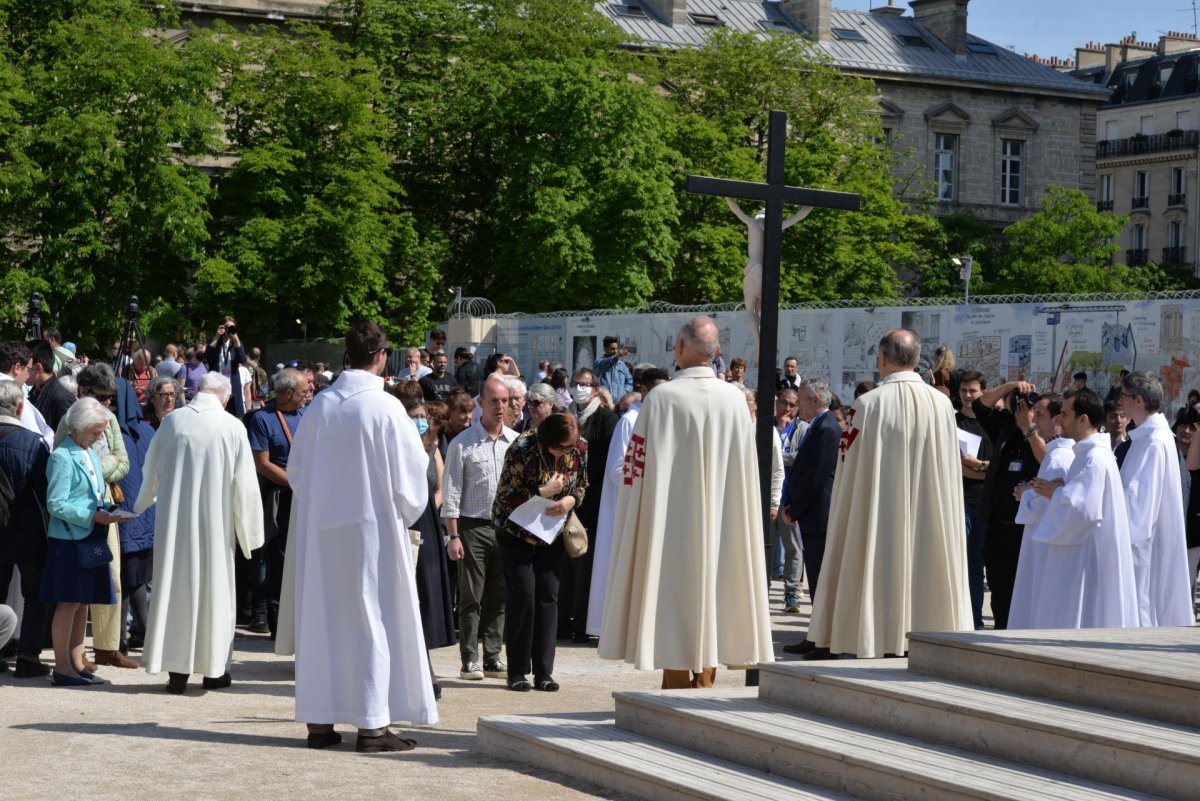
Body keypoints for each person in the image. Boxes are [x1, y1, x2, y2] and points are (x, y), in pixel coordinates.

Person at [278, 321, 436, 752]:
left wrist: (320, 508)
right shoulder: (385, 410)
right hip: (373, 531)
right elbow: (412, 482)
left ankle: (320, 721)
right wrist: (398, 515)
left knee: (323, 618)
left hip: (324, 533)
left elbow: (297, 473)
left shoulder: (320, 408)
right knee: (372, 618)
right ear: (382, 355)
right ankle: (372, 725)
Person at [599, 317, 772, 689]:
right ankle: (707, 675)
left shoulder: (660, 399)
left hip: (671, 524)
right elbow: (745, 468)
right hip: (724, 521)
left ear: (678, 349)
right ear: (717, 353)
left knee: (672, 595)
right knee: (717, 590)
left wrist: (634, 512)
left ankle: (676, 676)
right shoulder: (736, 402)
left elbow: (634, 468)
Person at [806, 328, 971, 659]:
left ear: (882, 358)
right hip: (929, 513)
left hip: (879, 514)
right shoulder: (941, 405)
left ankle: (875, 634)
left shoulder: (866, 406)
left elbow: (847, 467)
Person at [134, 373, 263, 693]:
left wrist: (141, 504)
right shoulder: (232, 427)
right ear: (224, 397)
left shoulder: (173, 423)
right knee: (214, 595)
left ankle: (177, 673)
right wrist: (251, 536)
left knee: (176, 592)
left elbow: (151, 471)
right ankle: (214, 671)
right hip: (214, 527)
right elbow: (245, 486)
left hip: (175, 527)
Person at [1016, 389, 1138, 629]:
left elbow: (1083, 510)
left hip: (1089, 555)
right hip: (1086, 550)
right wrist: (1060, 490)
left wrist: (1055, 492)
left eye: (1064, 414)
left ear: (1083, 419)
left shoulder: (1094, 459)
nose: (1059, 419)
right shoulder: (1088, 454)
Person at [493, 412, 587, 692]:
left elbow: (582, 484)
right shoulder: (523, 447)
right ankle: (518, 671)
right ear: (548, 440)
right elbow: (505, 495)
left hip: (552, 530)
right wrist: (543, 491)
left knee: (548, 595)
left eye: (570, 448)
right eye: (560, 448)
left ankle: (544, 672)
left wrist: (570, 499)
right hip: (516, 531)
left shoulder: (580, 447)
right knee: (523, 595)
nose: (566, 453)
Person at [55, 363, 135, 669]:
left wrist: (95, 470)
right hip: (79, 514)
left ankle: (107, 646)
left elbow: (124, 462)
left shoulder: (110, 419)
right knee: (82, 581)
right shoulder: (69, 420)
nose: (107, 404)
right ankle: (78, 652)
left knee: (111, 576)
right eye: (102, 398)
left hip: (106, 508)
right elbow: (64, 460)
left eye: (110, 398)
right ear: (83, 391)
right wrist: (100, 468)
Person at [42, 397, 123, 686]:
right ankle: (62, 667)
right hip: (69, 540)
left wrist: (106, 512)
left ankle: (76, 662)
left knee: (81, 603)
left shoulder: (86, 452)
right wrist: (93, 515)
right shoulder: (62, 456)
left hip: (86, 536)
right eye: (96, 432)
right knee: (68, 604)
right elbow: (55, 503)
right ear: (77, 428)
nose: (100, 437)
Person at [442, 376, 516, 681]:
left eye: (505, 400)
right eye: (494, 401)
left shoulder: (516, 441)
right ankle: (469, 658)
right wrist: (454, 534)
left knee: (500, 596)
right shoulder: (463, 443)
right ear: (481, 403)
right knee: (471, 596)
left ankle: (493, 656)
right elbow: (451, 493)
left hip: (507, 528)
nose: (501, 407)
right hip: (473, 526)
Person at [586, 366, 668, 637]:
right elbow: (618, 471)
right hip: (632, 507)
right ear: (643, 390)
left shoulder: (666, 417)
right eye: (657, 389)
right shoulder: (630, 422)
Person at [1118, 372, 1193, 627]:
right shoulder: (1148, 437)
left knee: (1143, 607)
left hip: (1143, 547)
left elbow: (1138, 503)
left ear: (1138, 400)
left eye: (1123, 396)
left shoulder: (1153, 441)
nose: (1120, 402)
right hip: (1144, 541)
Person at [970, 378, 1045, 630]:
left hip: (1024, 532)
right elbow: (981, 405)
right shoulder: (1004, 427)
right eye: (1018, 403)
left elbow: (1046, 460)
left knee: (1021, 595)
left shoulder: (1042, 433)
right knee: (1000, 595)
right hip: (996, 526)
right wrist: (1011, 385)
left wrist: (1029, 427)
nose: (1023, 407)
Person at [779, 378, 842, 656]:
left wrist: (795, 508)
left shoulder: (827, 429)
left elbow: (817, 478)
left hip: (819, 517)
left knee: (820, 578)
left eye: (801, 400)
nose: (796, 407)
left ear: (816, 401)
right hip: (811, 515)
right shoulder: (816, 426)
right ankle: (814, 634)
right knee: (815, 577)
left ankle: (824, 641)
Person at [245, 368, 308, 638]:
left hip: (306, 495)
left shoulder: (307, 415)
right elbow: (262, 463)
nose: (308, 395)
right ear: (288, 393)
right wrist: (297, 484)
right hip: (280, 496)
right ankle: (276, 620)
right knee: (278, 558)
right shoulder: (262, 419)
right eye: (305, 391)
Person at [1008, 393, 1076, 629]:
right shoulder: (1060, 454)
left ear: (1057, 420)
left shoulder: (1057, 458)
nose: (1034, 420)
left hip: (1044, 542)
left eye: (1040, 414)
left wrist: (1025, 493)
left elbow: (1045, 503)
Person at [404, 400, 455, 701]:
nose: (421, 421)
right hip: (403, 525)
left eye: (424, 417)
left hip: (428, 527)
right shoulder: (397, 450)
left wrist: (427, 508)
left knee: (425, 598)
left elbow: (440, 488)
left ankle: (427, 668)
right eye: (415, 416)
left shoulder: (431, 450)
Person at [562, 367, 618, 644]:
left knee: (585, 566)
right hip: (563, 501)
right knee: (564, 566)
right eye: (576, 383)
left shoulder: (606, 419)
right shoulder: (566, 415)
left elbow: (605, 460)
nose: (580, 388)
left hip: (591, 503)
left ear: (596, 389)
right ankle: (563, 620)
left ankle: (582, 623)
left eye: (585, 384)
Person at [0, 381, 52, 677]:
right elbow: (45, 491)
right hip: (28, 532)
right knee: (35, 595)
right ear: (19, 407)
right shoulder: (33, 442)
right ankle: (28, 657)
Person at [955, 370, 993, 630]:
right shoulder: (952, 421)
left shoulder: (991, 422)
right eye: (964, 391)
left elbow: (997, 467)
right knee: (967, 566)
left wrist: (976, 466)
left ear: (983, 393)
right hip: (961, 502)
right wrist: (982, 468)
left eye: (973, 391)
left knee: (981, 565)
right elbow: (952, 465)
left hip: (987, 503)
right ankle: (970, 620)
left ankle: (978, 619)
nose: (968, 396)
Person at [205, 316, 248, 417]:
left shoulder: (236, 344)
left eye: (232, 327)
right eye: (227, 327)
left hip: (232, 390)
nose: (230, 330)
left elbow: (243, 359)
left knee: (234, 419)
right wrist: (216, 336)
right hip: (216, 390)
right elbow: (207, 356)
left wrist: (236, 340)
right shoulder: (215, 342)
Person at [1105, 399, 1132, 467]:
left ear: (1128, 419)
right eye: (1113, 417)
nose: (1118, 421)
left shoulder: (1132, 445)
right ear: (1103, 420)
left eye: (1122, 416)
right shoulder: (1099, 444)